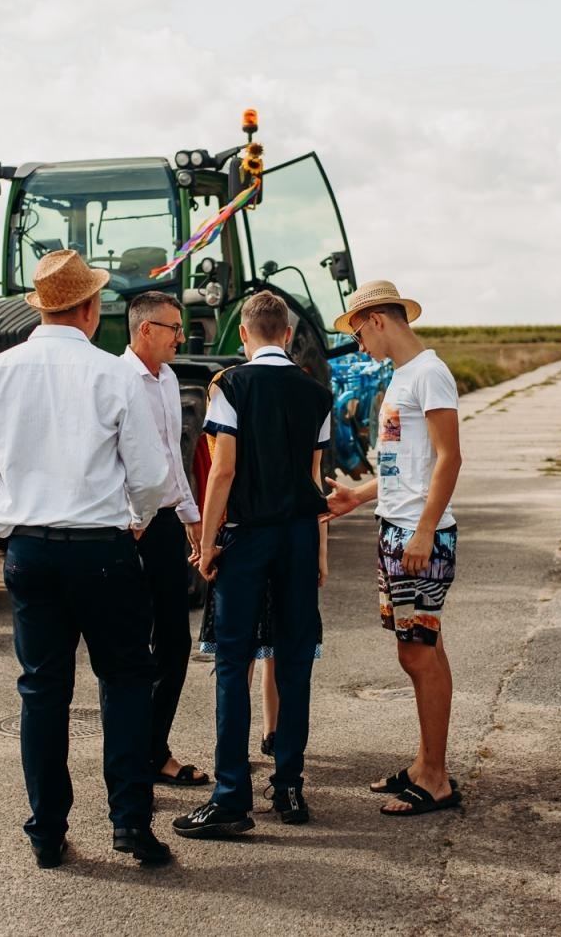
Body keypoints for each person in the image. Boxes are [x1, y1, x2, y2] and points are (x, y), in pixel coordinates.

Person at [0, 249, 174, 869]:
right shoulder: (114, 373)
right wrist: (132, 520)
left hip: (28, 551)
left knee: (42, 692)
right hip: (102, 548)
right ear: (90, 307)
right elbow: (151, 474)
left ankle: (47, 832)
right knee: (126, 681)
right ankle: (130, 825)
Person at [172, 291, 331, 838]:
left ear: (244, 334)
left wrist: (207, 543)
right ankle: (288, 785)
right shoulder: (315, 393)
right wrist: (321, 551)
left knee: (232, 663)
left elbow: (222, 472)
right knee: (294, 659)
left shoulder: (230, 386)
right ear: (287, 334)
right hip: (297, 537)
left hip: (245, 537)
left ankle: (232, 795)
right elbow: (315, 480)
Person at [322, 280, 464, 817]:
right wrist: (358, 495)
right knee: (421, 649)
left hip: (416, 535)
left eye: (359, 332)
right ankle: (429, 764)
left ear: (378, 320)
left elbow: (449, 458)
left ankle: (435, 777)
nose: (359, 344)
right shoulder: (406, 376)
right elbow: (407, 467)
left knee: (417, 652)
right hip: (397, 528)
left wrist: (425, 529)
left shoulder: (429, 373)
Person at [120, 291, 212, 789]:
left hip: (161, 523)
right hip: (123, 526)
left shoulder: (171, 379)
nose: (183, 335)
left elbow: (172, 457)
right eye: (174, 327)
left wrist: (190, 515)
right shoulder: (115, 380)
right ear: (145, 330)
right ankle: (135, 760)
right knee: (132, 646)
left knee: (175, 639)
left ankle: (154, 749)